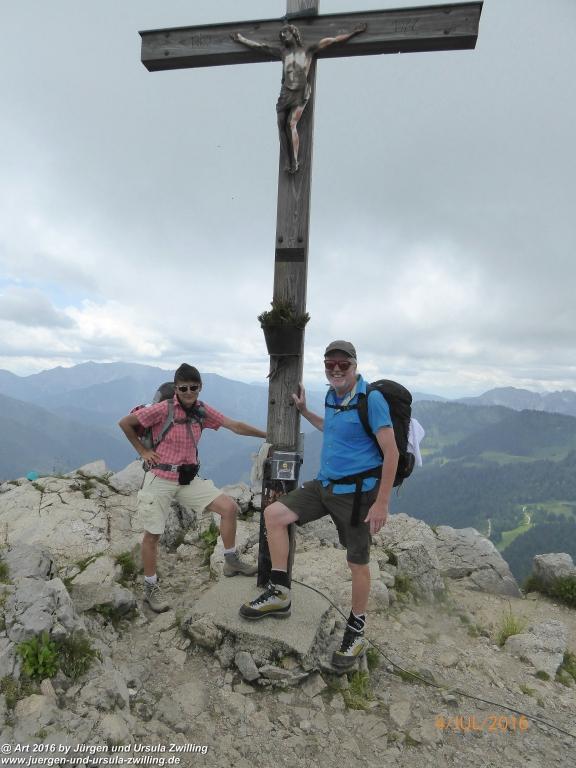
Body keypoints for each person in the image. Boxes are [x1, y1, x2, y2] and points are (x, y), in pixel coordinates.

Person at [239, 341, 399, 670]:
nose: (336, 370)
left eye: (343, 364)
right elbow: (332, 427)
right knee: (274, 514)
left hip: (356, 495)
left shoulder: (373, 399)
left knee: (357, 562)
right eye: (330, 364)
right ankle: (280, 592)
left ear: (355, 365)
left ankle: (356, 630)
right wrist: (304, 410)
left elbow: (392, 452)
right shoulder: (332, 396)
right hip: (324, 485)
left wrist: (382, 503)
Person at [119, 363, 267, 612]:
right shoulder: (161, 410)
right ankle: (150, 587)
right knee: (153, 536)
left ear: (200, 387)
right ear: (176, 388)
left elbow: (233, 425)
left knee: (229, 508)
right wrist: (143, 451)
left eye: (193, 387)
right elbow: (125, 423)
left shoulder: (201, 411)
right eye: (183, 388)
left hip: (187, 479)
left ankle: (231, 561)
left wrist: (266, 434)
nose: (188, 392)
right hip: (160, 478)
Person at [232, 23, 366, 174]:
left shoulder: (308, 50)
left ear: (294, 33)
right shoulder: (283, 52)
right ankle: (287, 160)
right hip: (286, 92)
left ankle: (294, 161)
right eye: (281, 35)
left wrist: (353, 33)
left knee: (291, 124)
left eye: (285, 33)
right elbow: (261, 46)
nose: (282, 36)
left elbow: (332, 40)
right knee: (280, 124)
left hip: (301, 92)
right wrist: (241, 39)